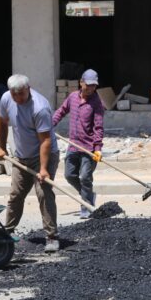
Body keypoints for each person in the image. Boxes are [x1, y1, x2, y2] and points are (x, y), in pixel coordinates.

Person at [0, 74, 60, 252]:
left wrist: (44, 169)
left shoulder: (40, 107)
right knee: (16, 195)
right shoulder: (6, 99)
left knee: (43, 193)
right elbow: (2, 122)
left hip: (44, 155)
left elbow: (45, 141)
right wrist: (2, 147)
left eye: (21, 94)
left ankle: (52, 236)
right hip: (21, 156)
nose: (18, 98)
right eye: (14, 94)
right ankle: (7, 233)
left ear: (28, 89)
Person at [52, 69, 105, 219]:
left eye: (94, 86)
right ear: (81, 82)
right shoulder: (72, 98)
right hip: (73, 145)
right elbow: (61, 111)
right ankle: (87, 195)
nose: (91, 88)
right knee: (69, 175)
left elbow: (98, 127)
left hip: (89, 147)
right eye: (88, 85)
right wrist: (48, 125)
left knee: (85, 177)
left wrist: (98, 148)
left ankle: (86, 206)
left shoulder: (97, 103)